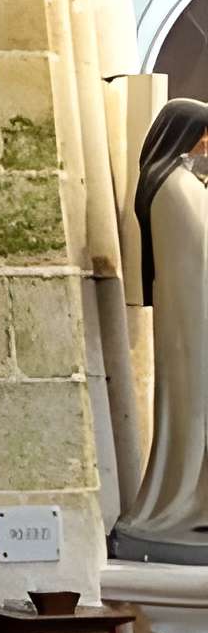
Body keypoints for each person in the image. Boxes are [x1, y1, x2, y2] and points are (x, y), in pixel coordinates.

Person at [114, 98, 208, 562]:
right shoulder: (178, 187)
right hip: (195, 325)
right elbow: (199, 253)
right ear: (185, 134)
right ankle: (185, 503)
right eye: (203, 132)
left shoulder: (178, 184)